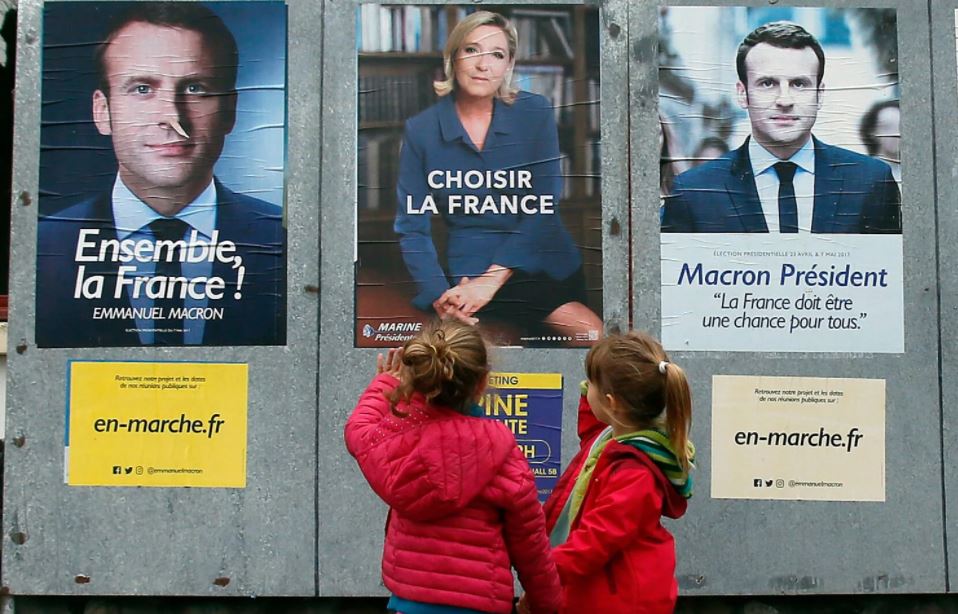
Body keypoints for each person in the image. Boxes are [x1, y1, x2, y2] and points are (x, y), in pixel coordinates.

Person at [36, 3, 285, 347]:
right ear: (102, 111)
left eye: (195, 88)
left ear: (230, 111)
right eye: (142, 89)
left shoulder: (284, 242)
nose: (172, 117)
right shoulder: (42, 248)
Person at [394, 11, 602, 344]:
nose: (483, 65)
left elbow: (543, 207)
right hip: (472, 269)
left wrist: (490, 281)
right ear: (452, 58)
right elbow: (412, 227)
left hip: (542, 260)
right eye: (471, 50)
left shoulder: (535, 112)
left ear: (509, 65)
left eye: (497, 54)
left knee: (594, 336)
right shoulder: (421, 130)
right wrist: (439, 295)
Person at [344, 320, 561, 614]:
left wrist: (384, 385)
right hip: (481, 604)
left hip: (410, 604)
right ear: (482, 382)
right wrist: (547, 604)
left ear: (418, 379)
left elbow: (358, 430)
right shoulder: (501, 450)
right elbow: (531, 545)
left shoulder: (395, 438)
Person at [661, 21, 901, 234]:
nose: (784, 100)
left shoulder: (870, 181)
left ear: (820, 94)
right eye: (767, 83)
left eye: (799, 84)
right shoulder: (694, 191)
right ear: (743, 94)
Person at [520, 331, 694, 614]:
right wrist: (593, 386)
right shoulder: (611, 439)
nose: (586, 388)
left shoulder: (635, 472)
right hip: (601, 593)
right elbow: (592, 425)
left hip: (619, 600)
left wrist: (545, 576)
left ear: (612, 403)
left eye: (590, 384)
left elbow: (596, 539)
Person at [859, 99, 901, 183]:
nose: (896, 133)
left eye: (900, 127)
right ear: (872, 132)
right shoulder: (864, 172)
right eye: (887, 127)